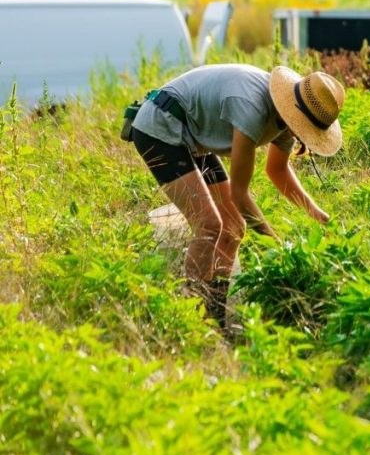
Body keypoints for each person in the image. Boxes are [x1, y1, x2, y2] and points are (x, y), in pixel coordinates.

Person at [129, 63, 344, 329]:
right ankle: (188, 317)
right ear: (296, 112)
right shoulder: (251, 107)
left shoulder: (288, 120)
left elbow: (277, 170)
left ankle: (214, 316)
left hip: (193, 135)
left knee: (233, 228)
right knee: (208, 224)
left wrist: (316, 213)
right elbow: (239, 195)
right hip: (161, 125)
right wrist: (276, 245)